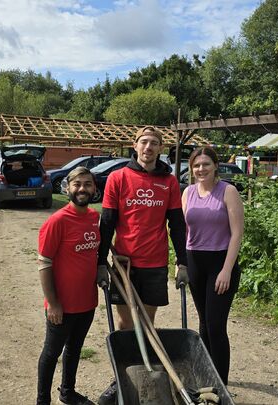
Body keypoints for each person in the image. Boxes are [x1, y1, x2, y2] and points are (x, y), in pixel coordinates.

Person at [97, 126, 188, 405]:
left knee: (147, 323)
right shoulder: (118, 178)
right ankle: (122, 379)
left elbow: (177, 225)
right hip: (124, 265)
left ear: (161, 148)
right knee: (126, 325)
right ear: (134, 146)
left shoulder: (169, 182)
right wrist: (101, 262)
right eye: (144, 142)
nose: (148, 147)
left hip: (155, 263)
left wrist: (182, 262)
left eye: (155, 143)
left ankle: (145, 376)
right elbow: (107, 223)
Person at [37, 167, 104, 405]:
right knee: (51, 353)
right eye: (77, 184)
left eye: (88, 184)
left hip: (87, 301)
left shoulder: (94, 218)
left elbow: (96, 252)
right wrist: (53, 303)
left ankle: (68, 392)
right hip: (61, 305)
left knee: (74, 349)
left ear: (94, 189)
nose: (82, 189)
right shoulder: (57, 221)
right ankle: (42, 400)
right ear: (67, 188)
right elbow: (44, 263)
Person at [182, 147, 244, 385]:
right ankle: (206, 373)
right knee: (204, 324)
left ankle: (221, 383)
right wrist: (182, 263)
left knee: (216, 325)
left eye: (206, 164)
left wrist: (227, 270)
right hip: (195, 261)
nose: (201, 169)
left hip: (220, 263)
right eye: (197, 165)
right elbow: (184, 230)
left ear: (216, 165)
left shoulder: (228, 191)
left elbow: (237, 233)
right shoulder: (188, 192)